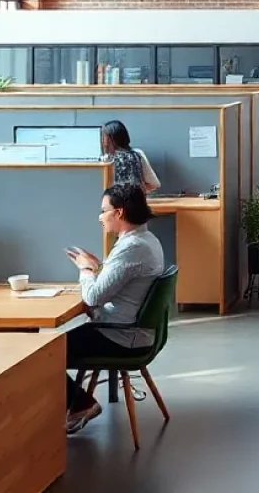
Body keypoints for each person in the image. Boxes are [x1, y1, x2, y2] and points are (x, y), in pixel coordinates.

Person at [63, 184, 165, 433]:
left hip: (119, 335)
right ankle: (77, 402)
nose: (100, 217)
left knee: (42, 354)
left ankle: (80, 403)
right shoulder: (144, 239)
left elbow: (93, 297)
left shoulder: (132, 248)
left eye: (103, 210)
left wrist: (86, 270)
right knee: (48, 350)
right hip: (130, 330)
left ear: (119, 213)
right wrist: (98, 268)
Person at [101, 120, 160, 194]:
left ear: (116, 140)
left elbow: (153, 184)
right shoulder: (104, 160)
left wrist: (136, 191)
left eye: (107, 140)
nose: (104, 143)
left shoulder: (137, 155)